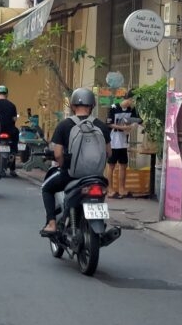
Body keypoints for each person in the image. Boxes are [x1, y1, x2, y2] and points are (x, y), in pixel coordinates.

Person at [40, 88, 111, 236]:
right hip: (96, 177)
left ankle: (52, 224)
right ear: (92, 105)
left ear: (72, 105)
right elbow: (109, 153)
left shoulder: (64, 125)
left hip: (71, 175)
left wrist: (63, 164)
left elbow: (57, 153)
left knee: (46, 188)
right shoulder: (101, 126)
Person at [106, 89, 142, 198]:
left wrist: (139, 125)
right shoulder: (114, 107)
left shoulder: (132, 109)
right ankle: (110, 189)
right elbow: (108, 124)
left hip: (123, 142)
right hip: (113, 141)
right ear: (130, 99)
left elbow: (139, 120)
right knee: (111, 165)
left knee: (123, 165)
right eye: (134, 100)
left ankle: (121, 189)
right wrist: (122, 127)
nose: (134, 103)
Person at [0, 85, 19, 176]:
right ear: (7, 94)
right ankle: (12, 168)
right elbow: (14, 119)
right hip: (10, 132)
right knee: (13, 145)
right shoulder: (12, 105)